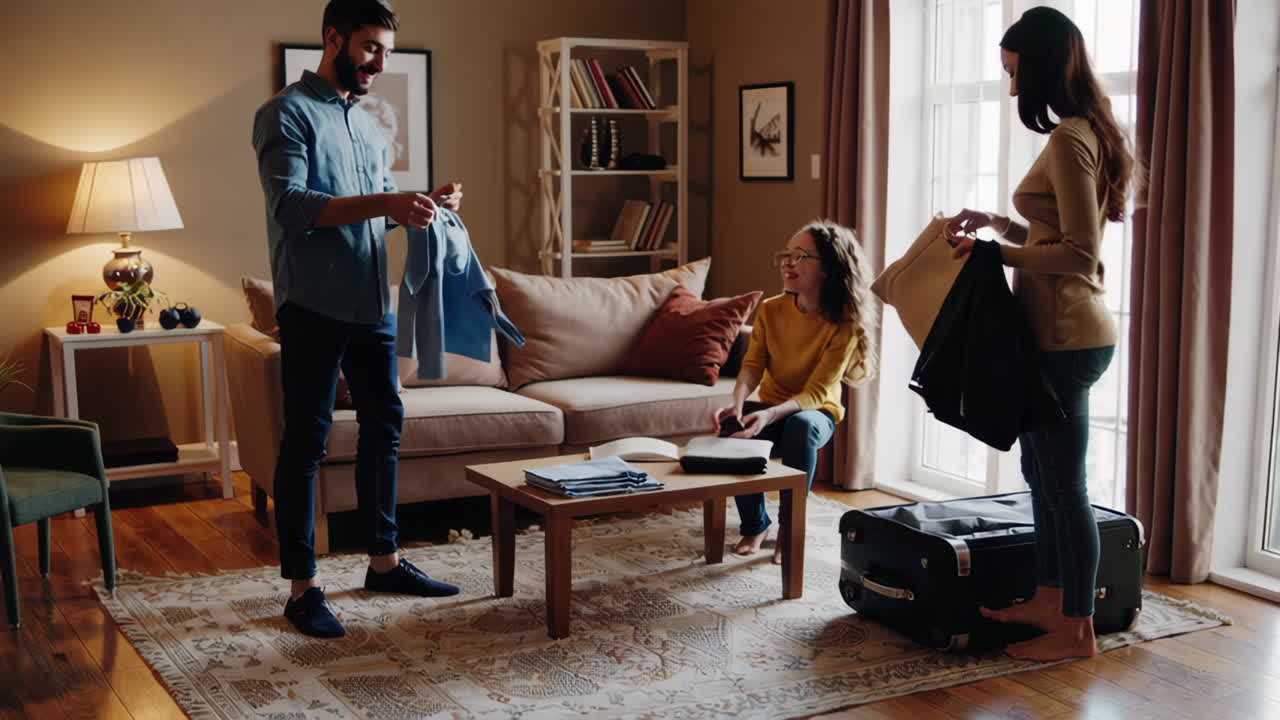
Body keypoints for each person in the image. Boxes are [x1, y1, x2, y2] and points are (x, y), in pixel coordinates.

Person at [252, 0, 466, 638]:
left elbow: (372, 215)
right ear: (334, 38)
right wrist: (388, 201)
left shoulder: (367, 124)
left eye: (387, 52)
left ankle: (384, 562)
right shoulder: (285, 113)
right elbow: (293, 207)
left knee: (385, 426)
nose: (379, 63)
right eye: (371, 47)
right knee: (307, 441)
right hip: (312, 305)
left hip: (373, 304)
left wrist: (421, 206)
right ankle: (302, 589)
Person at [946, 6, 1134, 661]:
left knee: (1063, 484)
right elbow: (1057, 236)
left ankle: (1077, 627)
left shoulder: (1071, 138)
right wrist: (999, 225)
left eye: (1015, 72)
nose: (1011, 88)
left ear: (1044, 67)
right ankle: (1053, 598)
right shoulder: (1083, 132)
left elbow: (1080, 254)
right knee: (1041, 474)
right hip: (1057, 333)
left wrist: (996, 255)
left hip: (1067, 336)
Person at [711, 221, 878, 564]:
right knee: (732, 428)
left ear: (829, 268)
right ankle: (756, 524)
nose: (788, 262)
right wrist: (738, 404)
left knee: (801, 425)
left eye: (801, 256)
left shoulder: (845, 324)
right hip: (771, 405)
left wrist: (768, 415)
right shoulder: (772, 309)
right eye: (787, 254)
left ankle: (790, 528)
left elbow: (816, 392)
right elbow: (753, 365)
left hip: (817, 412)